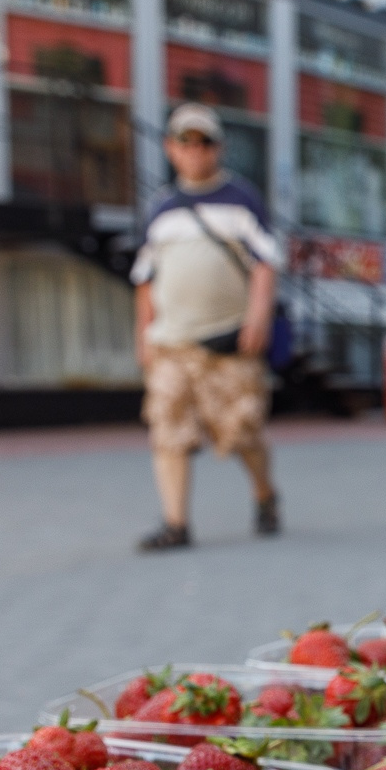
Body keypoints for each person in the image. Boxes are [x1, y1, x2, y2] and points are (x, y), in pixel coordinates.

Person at [129, 103, 282, 551]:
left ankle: (264, 493)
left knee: (242, 431)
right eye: (185, 142)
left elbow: (265, 264)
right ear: (170, 148)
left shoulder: (242, 200)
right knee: (168, 430)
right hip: (172, 343)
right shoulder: (161, 209)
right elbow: (144, 278)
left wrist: (258, 317)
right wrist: (144, 335)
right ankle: (176, 523)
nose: (195, 151)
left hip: (229, 340)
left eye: (204, 142)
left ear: (219, 147)